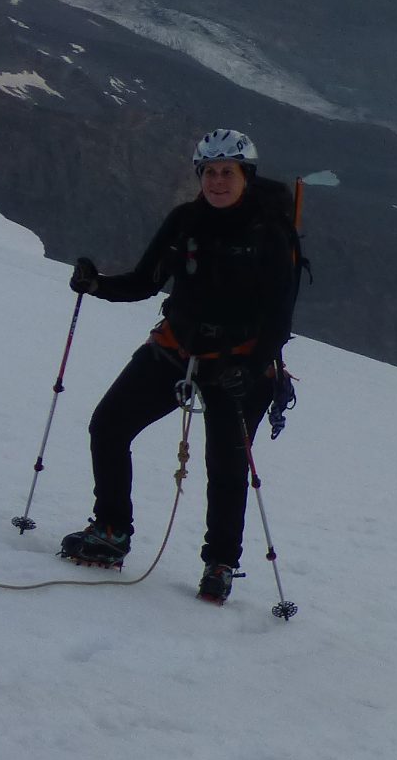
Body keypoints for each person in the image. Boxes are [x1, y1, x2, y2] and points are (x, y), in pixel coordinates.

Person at [59, 129, 303, 604]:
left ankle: (220, 562)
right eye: (209, 172)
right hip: (179, 346)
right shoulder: (185, 221)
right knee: (109, 425)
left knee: (227, 463)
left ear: (245, 176)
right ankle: (111, 528)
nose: (217, 181)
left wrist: (251, 369)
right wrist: (96, 285)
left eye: (226, 172)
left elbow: (278, 320)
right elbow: (144, 282)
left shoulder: (271, 234)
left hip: (241, 360)